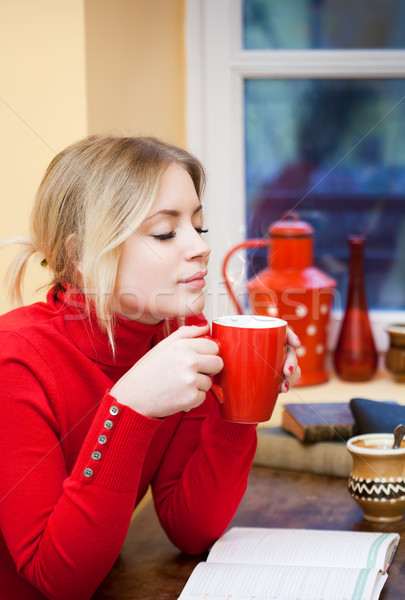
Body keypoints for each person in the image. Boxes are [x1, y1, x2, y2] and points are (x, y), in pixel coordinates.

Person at [0, 135, 301, 599]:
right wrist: (129, 410)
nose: (200, 248)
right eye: (165, 232)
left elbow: (192, 529)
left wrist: (238, 402)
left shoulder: (180, 332)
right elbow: (56, 579)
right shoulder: (15, 359)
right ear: (82, 257)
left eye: (197, 227)